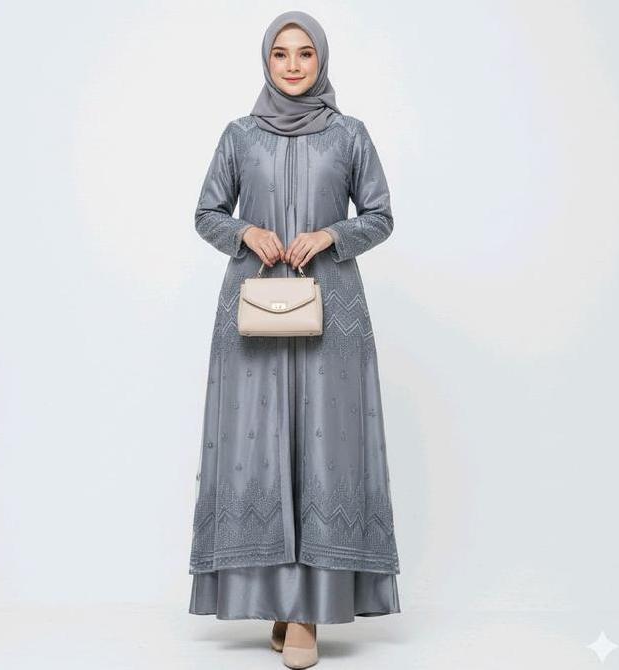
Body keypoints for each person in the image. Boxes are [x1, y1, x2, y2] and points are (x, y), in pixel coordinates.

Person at [188, 10, 401, 668]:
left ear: (321, 60)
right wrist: (244, 232)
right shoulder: (239, 136)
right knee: (258, 450)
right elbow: (206, 213)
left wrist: (332, 235)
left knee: (323, 449)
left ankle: (309, 611)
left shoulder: (349, 134)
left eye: (304, 53)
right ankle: (278, 603)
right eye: (281, 53)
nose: (292, 65)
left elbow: (380, 215)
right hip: (253, 313)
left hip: (332, 311)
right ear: (266, 60)